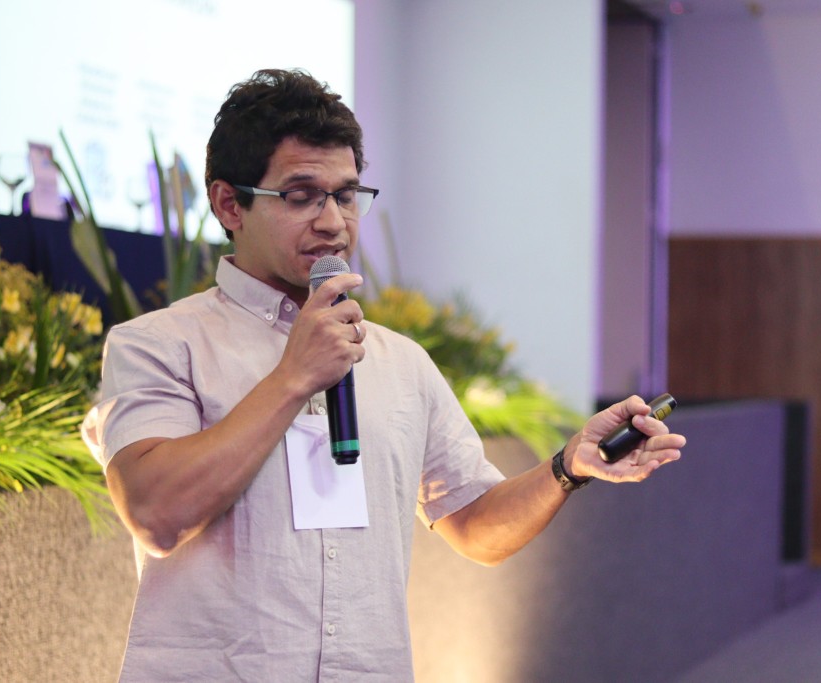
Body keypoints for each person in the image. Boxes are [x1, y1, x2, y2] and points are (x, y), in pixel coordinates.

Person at [81, 68, 686, 682]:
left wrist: (567, 467)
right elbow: (156, 514)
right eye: (301, 195)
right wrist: (293, 377)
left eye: (346, 196)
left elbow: (475, 525)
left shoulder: (400, 362)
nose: (333, 222)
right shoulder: (159, 344)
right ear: (228, 204)